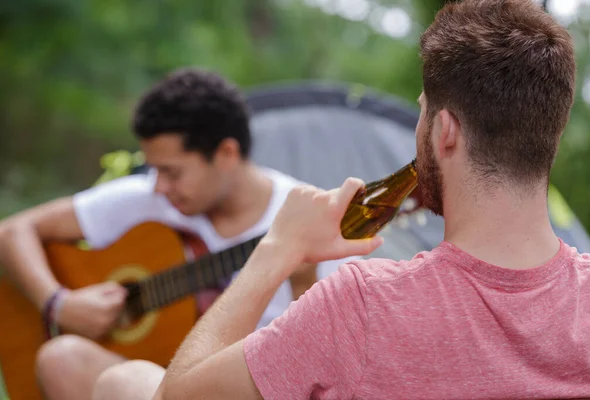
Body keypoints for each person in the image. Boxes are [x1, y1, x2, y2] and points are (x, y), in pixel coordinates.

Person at [90, 0, 590, 399]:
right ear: (547, 135)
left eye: (423, 113)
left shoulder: (363, 305)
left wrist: (277, 248)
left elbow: (175, 396)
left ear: (445, 131)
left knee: (123, 382)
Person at [0, 68, 354, 400]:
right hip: (147, 382)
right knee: (62, 358)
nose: (159, 188)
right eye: (154, 170)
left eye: (172, 172)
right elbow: (13, 231)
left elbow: (324, 365)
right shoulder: (150, 198)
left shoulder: (313, 219)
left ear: (226, 153)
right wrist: (58, 304)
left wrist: (301, 279)